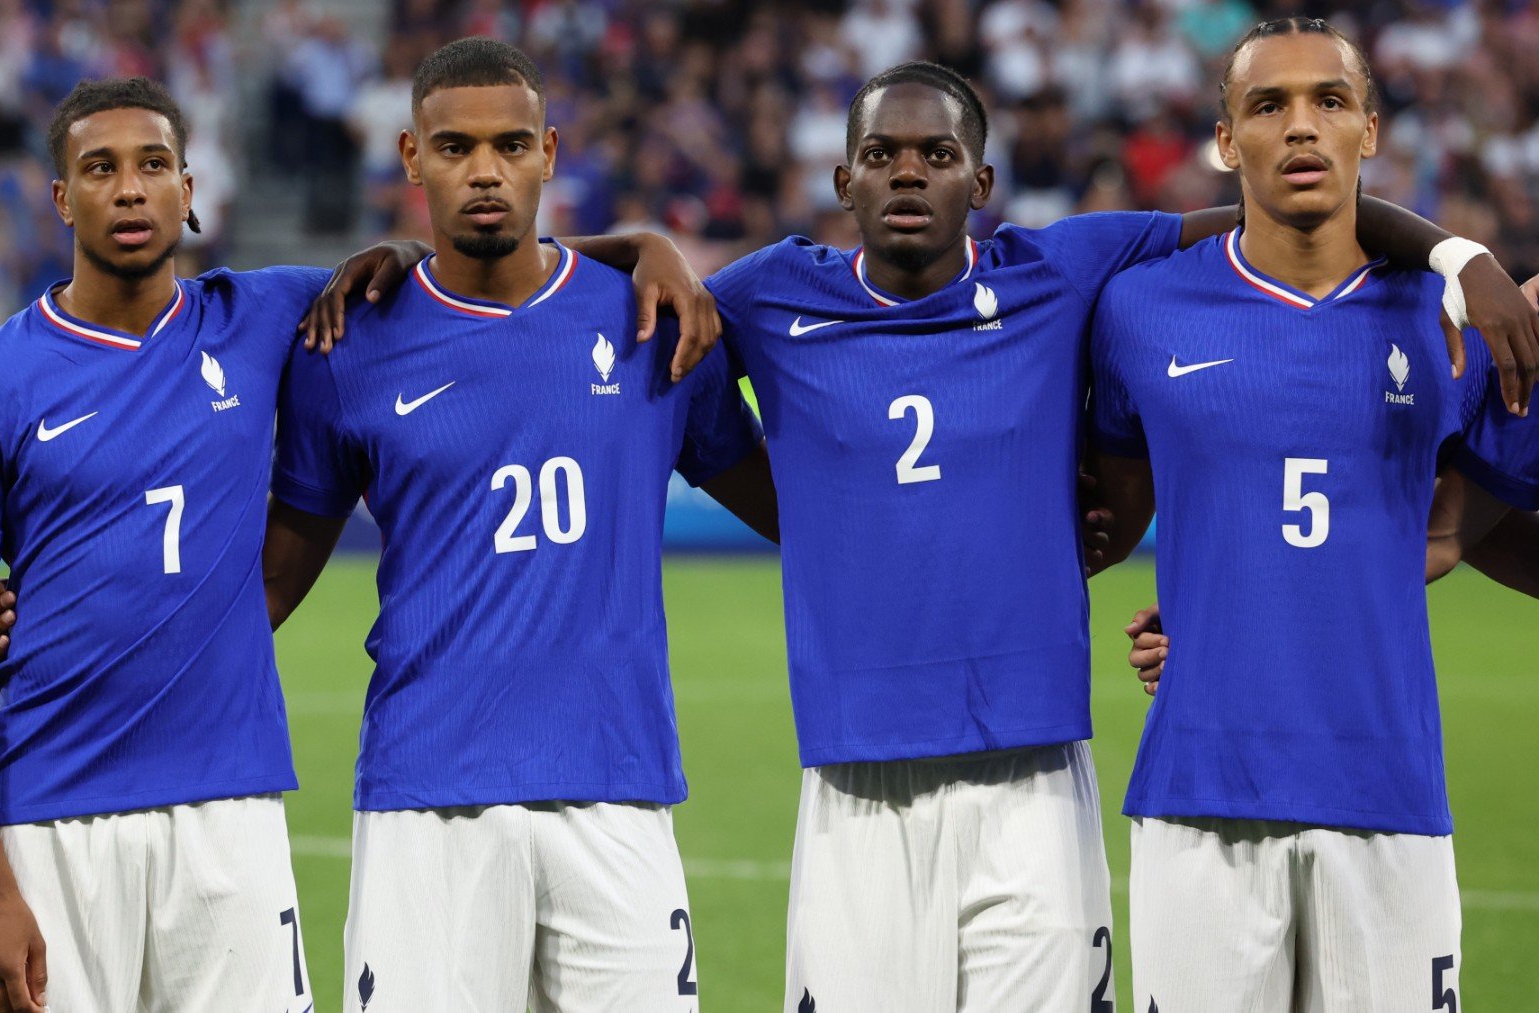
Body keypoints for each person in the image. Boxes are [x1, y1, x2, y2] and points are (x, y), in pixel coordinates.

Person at [318, 54, 1539, 1013]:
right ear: (843, 179)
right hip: (851, 780)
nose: (908, 172)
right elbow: (555, 279)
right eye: (881, 154)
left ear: (981, 185)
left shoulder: (1070, 269)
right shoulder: (765, 296)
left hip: (1033, 775)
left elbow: (1287, 207)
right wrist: (601, 245)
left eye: (938, 153)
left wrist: (1457, 253)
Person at [259, 38, 775, 1012]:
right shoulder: (347, 345)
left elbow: (799, 509)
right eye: (454, 147)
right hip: (426, 797)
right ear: (412, 159)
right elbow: (274, 580)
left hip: (615, 785)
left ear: (548, 150)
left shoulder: (653, 317)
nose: (484, 169)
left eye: (508, 144)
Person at [1084, 18, 1539, 1008]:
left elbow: (1464, 524)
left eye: (1329, 101)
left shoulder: (1452, 319)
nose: (1301, 127)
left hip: (1389, 794)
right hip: (1200, 795)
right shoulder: (1137, 310)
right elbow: (1113, 515)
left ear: (1369, 131)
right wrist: (1209, 606)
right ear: (1224, 139)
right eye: (1268, 105)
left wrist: (1439, 539)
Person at [0, 77, 325, 1013]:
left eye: (152, 166)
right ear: (63, 199)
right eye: (99, 168)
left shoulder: (264, 317)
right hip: (53, 818)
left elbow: (454, 267)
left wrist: (636, 250)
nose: (129, 189)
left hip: (230, 811)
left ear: (190, 188)